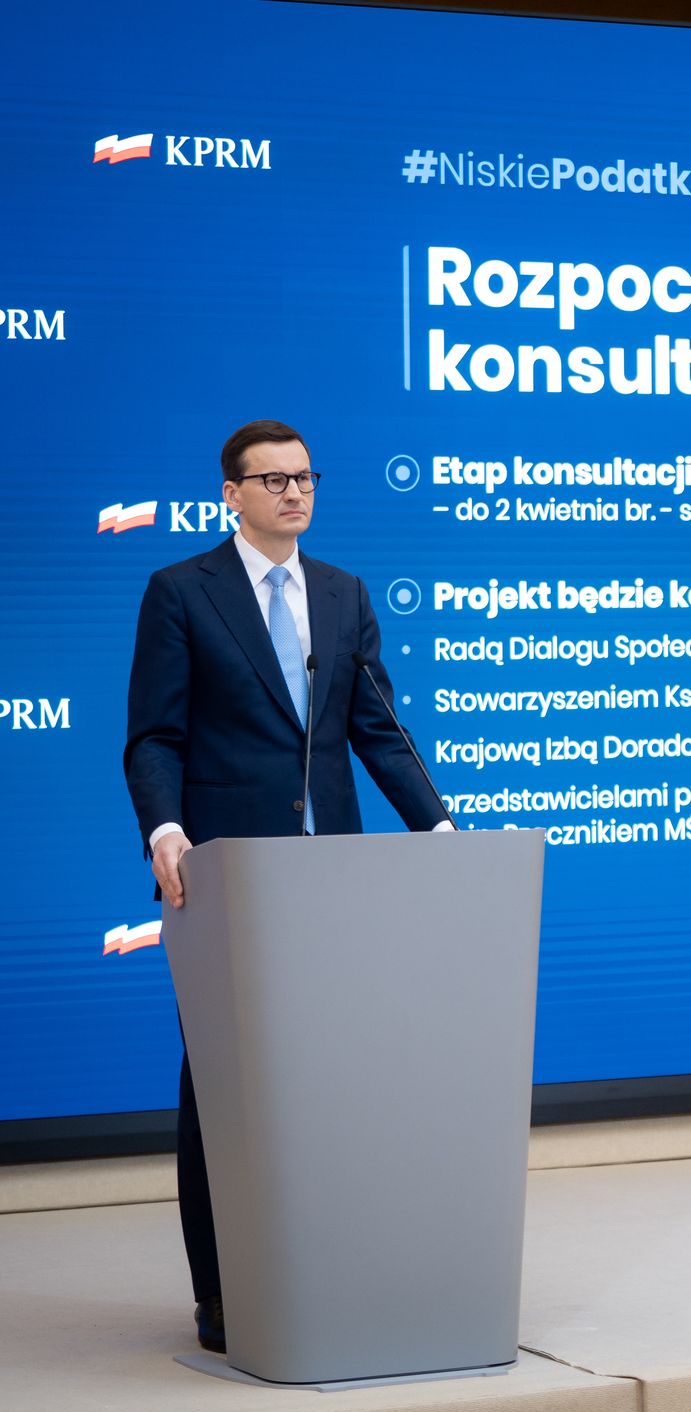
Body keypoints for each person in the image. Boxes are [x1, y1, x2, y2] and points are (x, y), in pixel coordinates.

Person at [122, 419, 451, 1353]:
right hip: (226, 883)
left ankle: (328, 1271)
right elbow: (155, 735)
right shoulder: (181, 592)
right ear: (232, 492)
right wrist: (167, 828)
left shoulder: (343, 595)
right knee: (223, 1088)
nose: (292, 494)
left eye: (304, 478)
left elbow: (377, 729)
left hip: (330, 883)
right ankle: (223, 1291)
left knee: (327, 1084)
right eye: (271, 481)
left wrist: (439, 826)